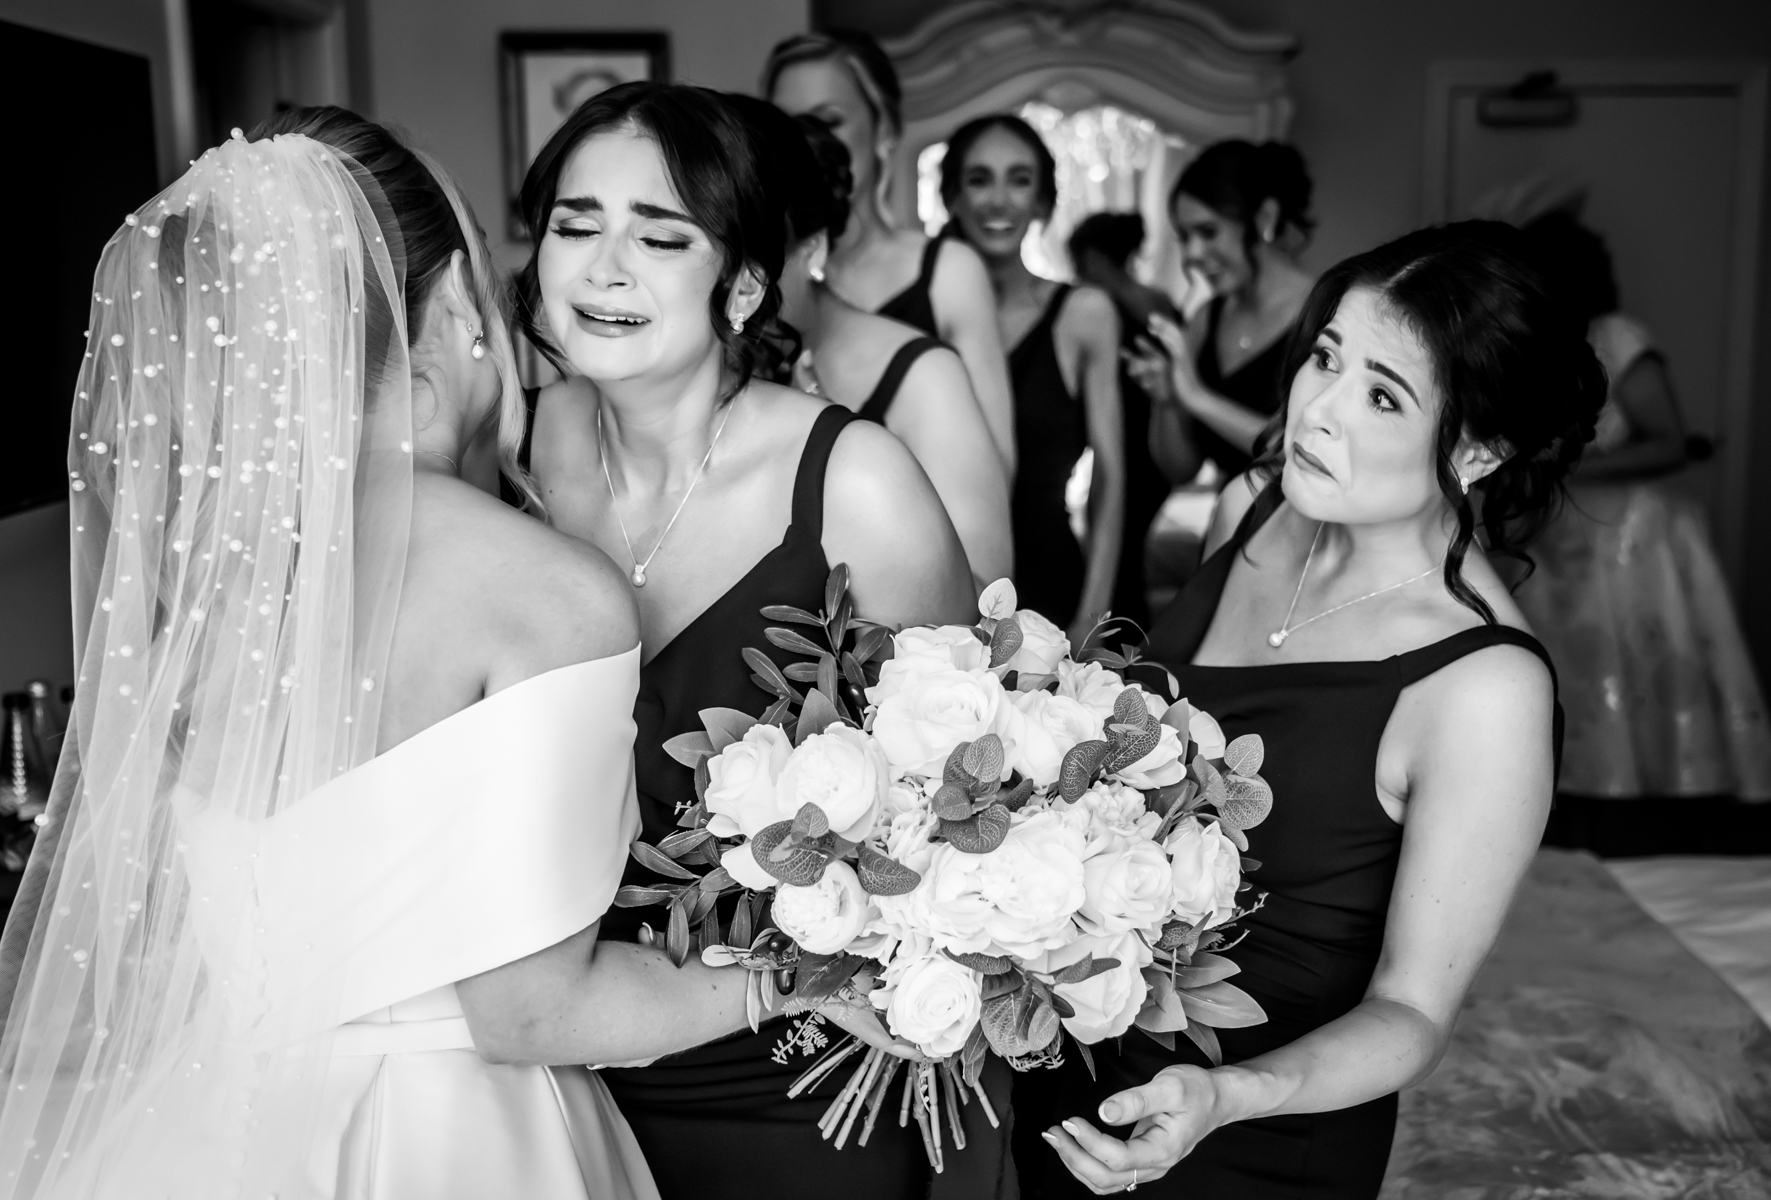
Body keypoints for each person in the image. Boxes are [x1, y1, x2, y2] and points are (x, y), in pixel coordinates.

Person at [0, 113, 764, 1200]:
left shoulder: (207, 594)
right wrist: (804, 977)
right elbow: (535, 1014)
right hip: (454, 1145)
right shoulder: (542, 591)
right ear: (455, 299)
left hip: (215, 1128)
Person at [1028, 222, 1605, 1198]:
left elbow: (1414, 1012)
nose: (1317, 410)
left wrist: (1229, 1096)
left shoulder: (1483, 689)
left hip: (1251, 1134)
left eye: (1383, 394)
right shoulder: (1250, 509)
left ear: (1473, 451)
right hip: (1066, 1062)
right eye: (1325, 357)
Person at [508, 82, 1004, 1200]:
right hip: (553, 1056)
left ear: (739, 283)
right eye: (574, 225)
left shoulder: (856, 485)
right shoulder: (520, 448)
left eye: (660, 235)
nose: (602, 268)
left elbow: (974, 791)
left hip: (800, 1072)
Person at [1514, 211, 1771, 836]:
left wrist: (1575, 463)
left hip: (1628, 536)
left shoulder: (1617, 336)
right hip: (1553, 531)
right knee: (1565, 667)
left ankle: (1644, 805)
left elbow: (1669, 440)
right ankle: (1568, 793)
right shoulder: (1528, 343)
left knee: (1630, 663)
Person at [729, 94, 1012, 589]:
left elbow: (986, 599)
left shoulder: (925, 376)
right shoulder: (688, 370)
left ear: (811, 247)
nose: (728, 282)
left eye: (751, 254)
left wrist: (825, 453)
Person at [764, 30, 1017, 476]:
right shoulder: (759, 276)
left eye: (827, 121)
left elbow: (997, 470)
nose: (803, 143)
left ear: (884, 131)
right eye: (784, 125)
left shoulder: (949, 273)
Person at [941, 114, 1125, 643]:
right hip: (943, 583)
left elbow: (1111, 476)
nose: (999, 199)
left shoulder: (1084, 313)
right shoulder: (922, 318)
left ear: (1043, 202)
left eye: (1019, 180)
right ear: (953, 196)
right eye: (980, 179)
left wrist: (1093, 615)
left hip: (1054, 589)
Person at [1130, 141, 1317, 488]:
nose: (1192, 255)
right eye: (1184, 237)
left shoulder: (1325, 312)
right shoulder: (1205, 318)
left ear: (1264, 217)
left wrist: (1197, 397)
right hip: (1225, 533)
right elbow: (1180, 470)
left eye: (1207, 232)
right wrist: (1168, 400)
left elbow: (1305, 451)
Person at [1068, 212, 1177, 628]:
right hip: (1149, 446)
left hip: (1136, 447)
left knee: (1116, 547)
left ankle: (1115, 635)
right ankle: (1125, 631)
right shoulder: (1158, 301)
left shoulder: (1102, 306)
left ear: (1093, 257)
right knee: (1126, 552)